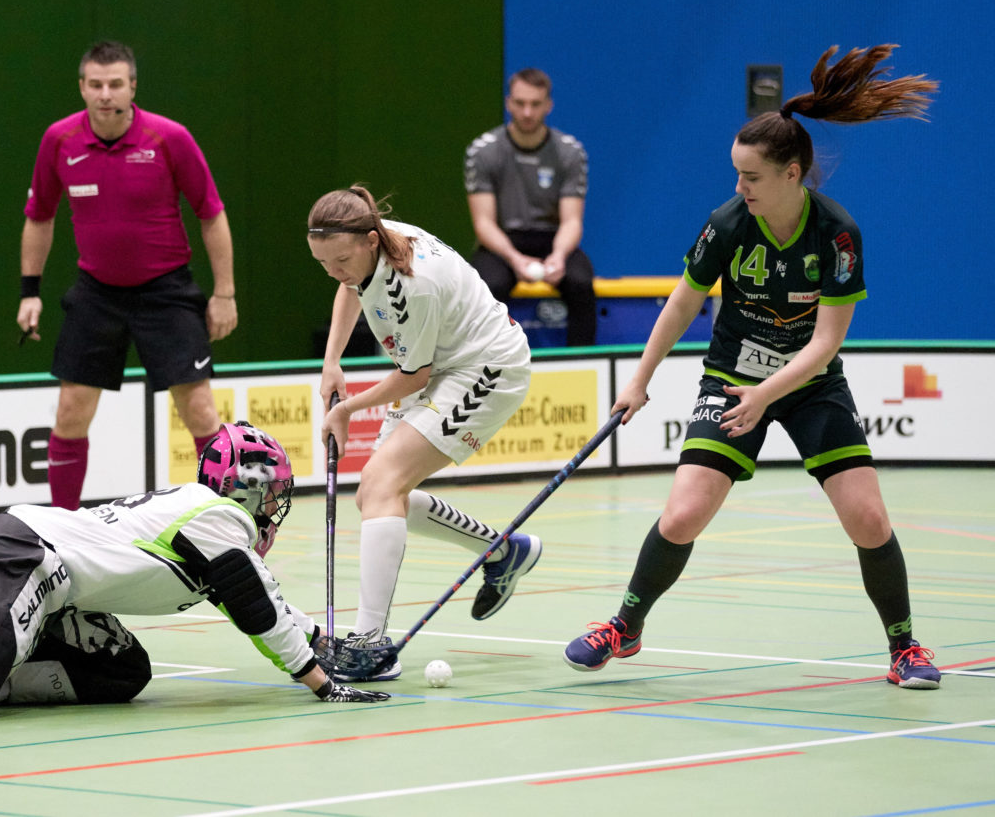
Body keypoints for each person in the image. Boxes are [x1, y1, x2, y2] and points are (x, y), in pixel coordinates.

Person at [561, 45, 943, 689]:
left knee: (869, 519)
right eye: (736, 175)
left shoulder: (837, 234)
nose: (739, 188)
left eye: (752, 177)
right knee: (682, 514)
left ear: (792, 174)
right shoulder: (729, 225)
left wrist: (766, 395)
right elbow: (683, 303)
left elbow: (825, 345)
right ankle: (626, 624)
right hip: (731, 378)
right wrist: (639, 378)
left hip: (809, 385)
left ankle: (905, 649)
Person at [0, 422, 389, 734]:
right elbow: (257, 613)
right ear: (249, 490)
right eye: (274, 493)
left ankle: (1, 673)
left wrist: (332, 645)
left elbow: (266, 607)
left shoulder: (207, 520)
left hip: (52, 577)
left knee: (121, 671)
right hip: (30, 555)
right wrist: (320, 683)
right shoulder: (221, 519)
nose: (275, 507)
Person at [309, 185, 540, 681]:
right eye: (324, 263)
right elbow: (350, 287)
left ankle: (371, 644)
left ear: (371, 240)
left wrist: (347, 408)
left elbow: (413, 375)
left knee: (383, 485)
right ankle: (503, 550)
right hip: (437, 363)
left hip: (485, 367)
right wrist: (332, 361)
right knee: (376, 492)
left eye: (340, 260)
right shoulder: (369, 249)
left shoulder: (413, 283)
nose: (334, 271)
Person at [16, 40, 237, 510]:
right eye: (95, 85)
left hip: (168, 291)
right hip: (96, 293)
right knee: (71, 411)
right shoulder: (59, 140)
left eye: (115, 84)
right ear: (81, 88)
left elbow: (211, 213)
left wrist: (225, 293)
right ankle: (64, 528)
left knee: (199, 410)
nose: (105, 94)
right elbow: (39, 216)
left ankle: (224, 524)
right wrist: (29, 292)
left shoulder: (169, 138)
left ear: (132, 87)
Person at [465, 67, 596, 347]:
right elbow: (483, 223)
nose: (527, 112)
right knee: (487, 286)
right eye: (520, 103)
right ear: (508, 102)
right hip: (502, 243)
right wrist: (514, 258)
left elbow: (572, 221)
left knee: (581, 283)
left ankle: (581, 365)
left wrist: (559, 255)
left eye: (535, 104)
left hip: (552, 239)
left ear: (548, 106)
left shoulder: (570, 152)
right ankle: (486, 367)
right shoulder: (482, 151)